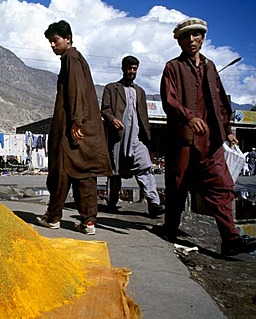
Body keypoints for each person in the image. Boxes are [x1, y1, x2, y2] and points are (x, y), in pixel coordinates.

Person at [159, 17, 256, 255]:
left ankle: (230, 239)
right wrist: (189, 117)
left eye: (196, 35)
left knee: (221, 186)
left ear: (202, 38)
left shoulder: (211, 67)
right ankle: (170, 227)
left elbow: (222, 101)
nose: (191, 40)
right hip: (183, 138)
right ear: (179, 41)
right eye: (186, 36)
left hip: (210, 140)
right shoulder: (173, 67)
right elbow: (169, 101)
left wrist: (229, 131)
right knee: (177, 186)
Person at [36, 20, 112, 235]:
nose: (52, 45)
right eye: (50, 42)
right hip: (85, 127)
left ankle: (53, 217)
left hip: (73, 127)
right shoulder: (76, 58)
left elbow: (75, 89)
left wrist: (76, 121)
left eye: (55, 40)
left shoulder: (70, 57)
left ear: (68, 38)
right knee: (84, 173)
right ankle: (88, 222)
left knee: (60, 172)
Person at [101, 55, 165, 218]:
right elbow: (105, 109)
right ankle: (112, 203)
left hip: (137, 138)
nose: (131, 71)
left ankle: (153, 204)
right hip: (118, 138)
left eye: (134, 69)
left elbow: (143, 116)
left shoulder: (140, 92)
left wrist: (147, 136)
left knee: (145, 167)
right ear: (123, 69)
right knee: (115, 173)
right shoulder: (111, 88)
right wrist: (113, 119)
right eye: (129, 68)